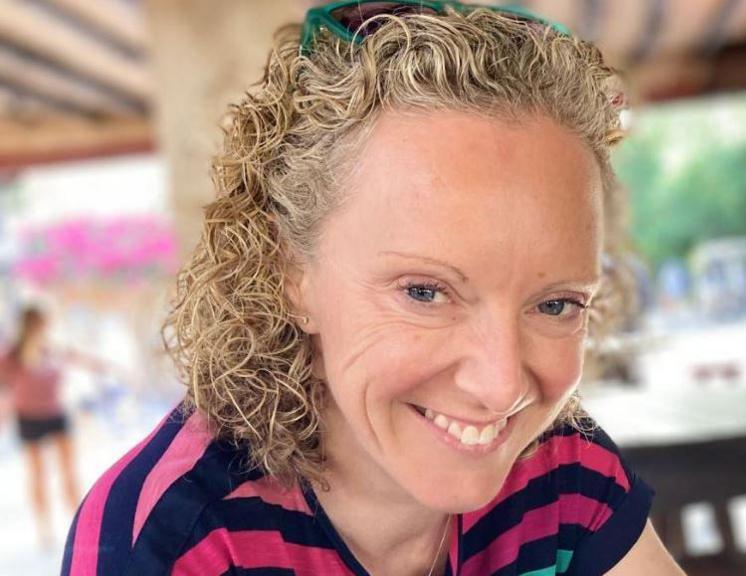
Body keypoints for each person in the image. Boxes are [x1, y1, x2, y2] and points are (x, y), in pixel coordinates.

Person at [62, 2, 685, 574]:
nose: (500, 386)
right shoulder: (170, 540)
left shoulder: (565, 482)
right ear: (291, 274)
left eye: (555, 304)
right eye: (424, 292)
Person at [0, 306, 81, 549]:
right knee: (38, 475)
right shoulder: (11, 356)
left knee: (69, 473)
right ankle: (44, 529)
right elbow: (4, 392)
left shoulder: (50, 350)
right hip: (29, 418)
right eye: (40, 324)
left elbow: (71, 366)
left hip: (56, 414)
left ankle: (79, 523)